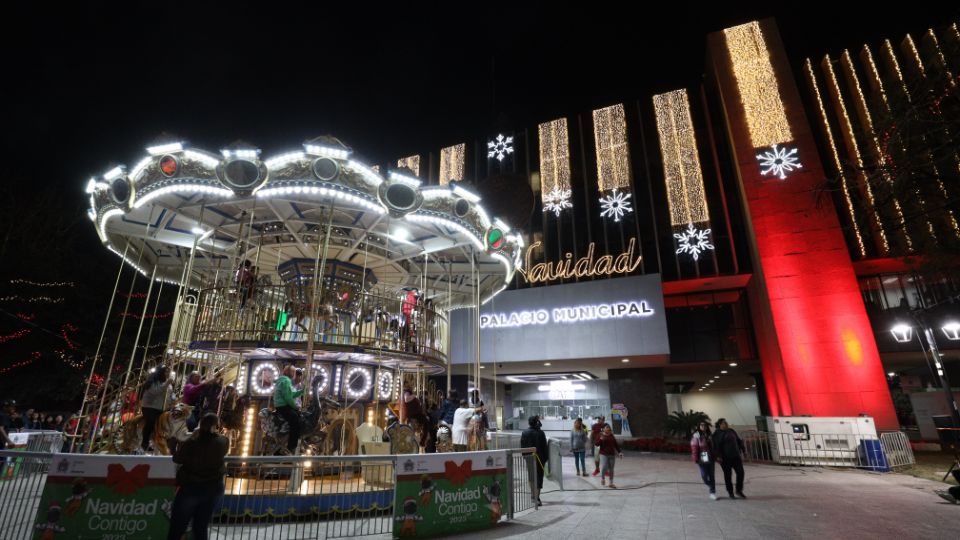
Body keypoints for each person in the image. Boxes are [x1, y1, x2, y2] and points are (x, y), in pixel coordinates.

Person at [166, 413, 229, 540]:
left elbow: (177, 458)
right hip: (213, 487)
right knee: (200, 526)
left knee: (178, 526)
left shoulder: (193, 443)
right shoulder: (222, 442)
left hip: (192, 487)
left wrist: (191, 438)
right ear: (216, 426)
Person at [140, 367, 173, 453]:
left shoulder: (168, 384)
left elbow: (169, 394)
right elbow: (156, 392)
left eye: (168, 372)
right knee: (151, 422)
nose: (168, 374)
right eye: (166, 372)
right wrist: (166, 383)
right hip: (149, 406)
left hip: (161, 407)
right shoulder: (153, 382)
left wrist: (173, 399)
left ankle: (158, 443)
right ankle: (144, 442)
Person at [712, 418, 746, 499]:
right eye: (724, 423)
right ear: (720, 424)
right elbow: (716, 447)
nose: (726, 424)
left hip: (736, 456)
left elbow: (738, 441)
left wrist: (743, 450)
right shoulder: (717, 434)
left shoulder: (731, 431)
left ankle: (739, 490)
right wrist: (718, 456)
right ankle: (730, 492)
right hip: (725, 458)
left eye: (726, 422)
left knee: (740, 472)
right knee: (728, 475)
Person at [273, 365, 304, 454]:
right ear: (290, 373)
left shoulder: (284, 381)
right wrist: (295, 407)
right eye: (294, 372)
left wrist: (301, 392)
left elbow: (291, 394)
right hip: (283, 406)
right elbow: (288, 398)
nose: (295, 375)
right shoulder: (286, 381)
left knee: (299, 416)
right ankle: (291, 446)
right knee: (295, 421)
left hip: (282, 405)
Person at [520, 416, 548, 506]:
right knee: (539, 478)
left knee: (531, 477)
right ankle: (537, 498)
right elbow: (545, 448)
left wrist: (526, 457)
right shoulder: (541, 433)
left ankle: (533, 496)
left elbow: (523, 447)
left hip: (529, 459)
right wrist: (545, 459)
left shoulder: (524, 433)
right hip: (540, 459)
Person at [691, 420, 716, 500]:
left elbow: (715, 446)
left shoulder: (710, 435)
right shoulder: (696, 436)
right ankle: (710, 484)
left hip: (711, 456)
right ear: (699, 426)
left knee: (711, 475)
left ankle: (712, 492)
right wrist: (695, 458)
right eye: (701, 425)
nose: (703, 427)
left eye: (705, 425)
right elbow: (694, 447)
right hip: (703, 455)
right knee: (704, 475)